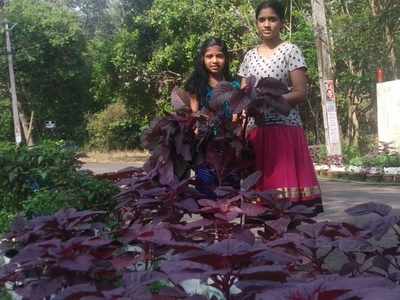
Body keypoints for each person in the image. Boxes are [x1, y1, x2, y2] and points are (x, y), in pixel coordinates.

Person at [238, 0, 322, 213]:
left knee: (289, 210)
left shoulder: (290, 50)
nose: (267, 24)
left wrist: (269, 103)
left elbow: (300, 92)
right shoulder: (249, 56)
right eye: (262, 19)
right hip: (256, 133)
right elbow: (243, 95)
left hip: (284, 130)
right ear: (257, 23)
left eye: (272, 19)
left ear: (281, 23)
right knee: (261, 207)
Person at [184, 38, 240, 197]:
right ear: (202, 58)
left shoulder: (234, 85)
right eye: (209, 56)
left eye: (219, 56)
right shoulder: (196, 86)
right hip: (205, 152)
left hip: (230, 151)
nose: (214, 60)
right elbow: (194, 117)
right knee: (207, 199)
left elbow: (238, 114)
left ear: (226, 59)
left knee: (230, 200)